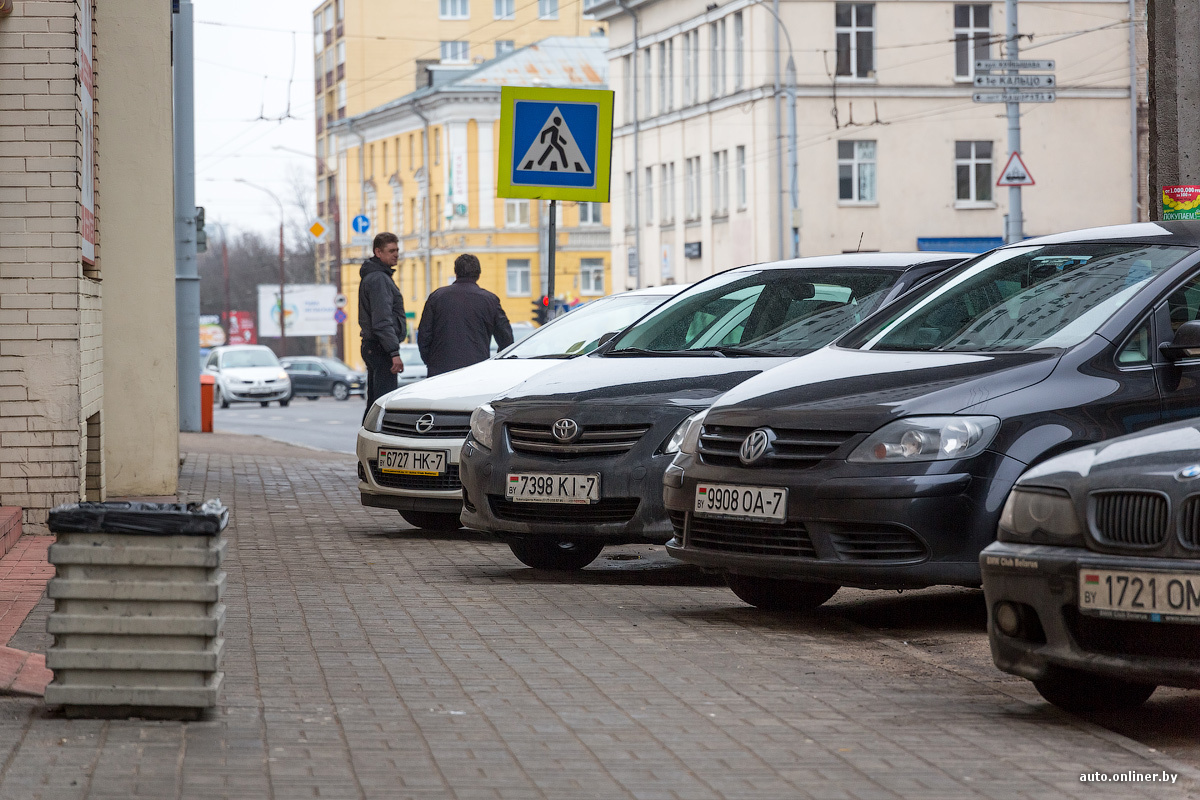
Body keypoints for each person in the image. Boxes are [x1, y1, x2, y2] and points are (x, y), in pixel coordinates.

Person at [418, 253, 514, 377]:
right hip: (476, 370)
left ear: (455, 272)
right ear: (479, 274)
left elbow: (424, 335)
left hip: (440, 371)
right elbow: (505, 337)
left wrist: (431, 361)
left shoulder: (437, 297)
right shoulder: (490, 300)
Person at [358, 232, 406, 419]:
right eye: (391, 250)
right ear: (378, 252)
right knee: (382, 406)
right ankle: (374, 443)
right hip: (381, 348)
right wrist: (393, 352)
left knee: (374, 404)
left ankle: (368, 443)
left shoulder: (377, 276)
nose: (396, 254)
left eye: (397, 250)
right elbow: (382, 320)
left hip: (375, 346)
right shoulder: (379, 279)